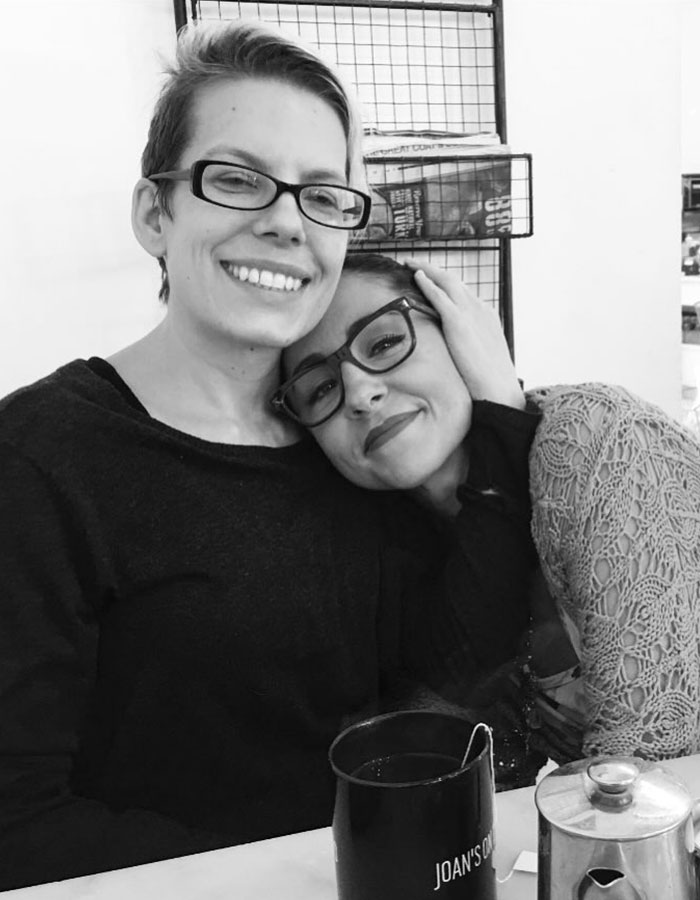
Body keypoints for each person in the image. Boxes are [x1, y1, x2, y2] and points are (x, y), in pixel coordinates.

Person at [0, 21, 541, 892]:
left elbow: (447, 667)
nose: (288, 222)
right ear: (154, 214)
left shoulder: (341, 445)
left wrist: (498, 410)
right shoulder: (39, 461)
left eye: (324, 195)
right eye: (240, 179)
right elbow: (17, 821)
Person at [280, 252, 700, 765]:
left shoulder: (592, 436)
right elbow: (456, 746)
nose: (361, 394)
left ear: (462, 333)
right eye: (320, 388)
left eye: (386, 342)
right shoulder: (394, 547)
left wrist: (502, 408)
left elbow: (655, 757)